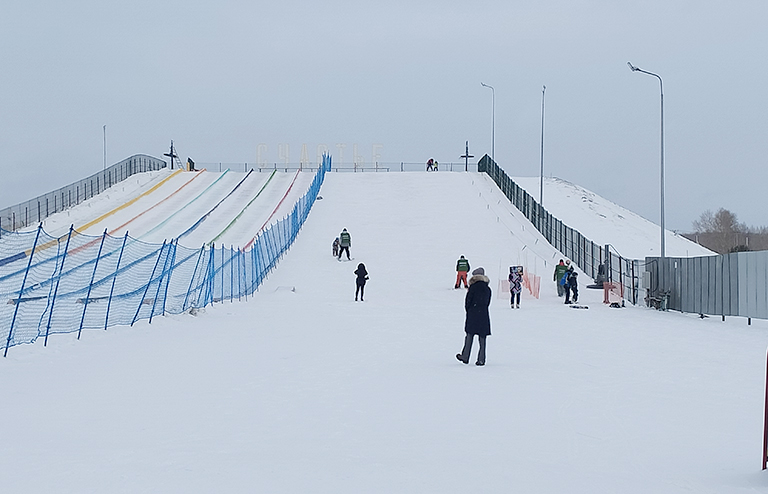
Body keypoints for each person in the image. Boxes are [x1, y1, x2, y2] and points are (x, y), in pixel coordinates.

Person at [456, 267, 492, 366]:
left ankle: (465, 356)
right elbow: (487, 302)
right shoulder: (487, 289)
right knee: (482, 338)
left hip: (473, 313)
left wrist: (469, 310)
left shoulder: (472, 288)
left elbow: (467, 302)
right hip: (484, 314)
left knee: (469, 336)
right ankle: (481, 359)